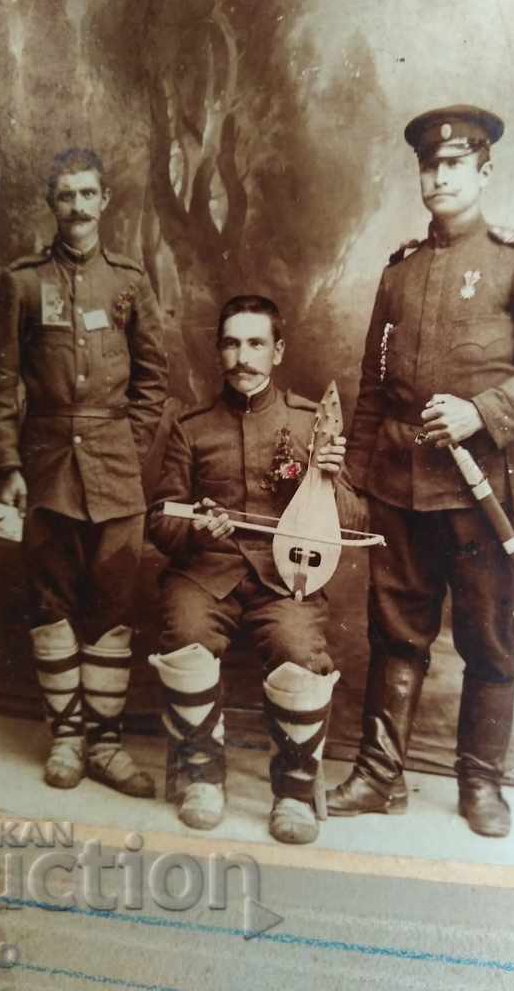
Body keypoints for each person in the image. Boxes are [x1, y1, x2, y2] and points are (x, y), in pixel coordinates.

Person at [326, 105, 514, 837]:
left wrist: (482, 412)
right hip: (399, 489)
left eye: (454, 165)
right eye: (429, 167)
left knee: (487, 641)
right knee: (395, 635)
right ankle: (380, 777)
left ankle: (481, 783)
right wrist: (356, 479)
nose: (439, 177)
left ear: (483, 171)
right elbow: (374, 383)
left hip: (481, 492)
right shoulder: (400, 271)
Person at [0, 147, 169, 798]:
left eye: (88, 194)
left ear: (105, 201)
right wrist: (8, 465)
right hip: (46, 468)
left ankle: (106, 745)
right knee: (51, 601)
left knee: (114, 605)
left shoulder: (129, 281)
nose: (78, 207)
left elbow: (154, 378)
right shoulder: (22, 282)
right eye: (66, 195)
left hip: (117, 472)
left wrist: (128, 446)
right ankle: (66, 738)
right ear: (51, 203)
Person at [147, 294, 363, 845]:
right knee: (186, 638)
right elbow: (160, 523)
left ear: (278, 351)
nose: (242, 357)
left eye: (255, 344)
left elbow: (355, 521)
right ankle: (203, 777)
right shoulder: (190, 427)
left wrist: (328, 480)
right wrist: (197, 529)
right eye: (231, 343)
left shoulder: (313, 421)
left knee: (299, 652)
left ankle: (293, 792)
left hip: (285, 579)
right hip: (205, 573)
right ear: (218, 350)